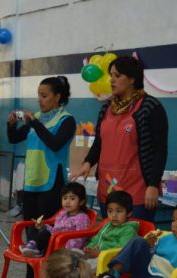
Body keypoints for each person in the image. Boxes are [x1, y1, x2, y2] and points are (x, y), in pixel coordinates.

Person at [71, 57, 168, 221]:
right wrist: (88, 162)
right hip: (107, 190)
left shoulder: (150, 107)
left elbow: (160, 150)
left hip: (137, 192)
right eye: (111, 75)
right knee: (111, 241)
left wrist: (152, 185)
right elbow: (99, 142)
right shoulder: (106, 108)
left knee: (133, 243)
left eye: (117, 75)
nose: (111, 80)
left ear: (131, 79)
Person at [7, 76, 76, 278]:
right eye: (38, 95)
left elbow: (55, 144)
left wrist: (35, 123)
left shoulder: (66, 120)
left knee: (48, 231)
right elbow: (14, 138)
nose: (39, 100)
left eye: (44, 96)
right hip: (32, 183)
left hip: (51, 184)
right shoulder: (36, 117)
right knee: (31, 233)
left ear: (58, 97)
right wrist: (11, 125)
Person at [19, 181, 91, 258]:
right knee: (33, 226)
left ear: (81, 202)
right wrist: (44, 226)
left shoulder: (82, 217)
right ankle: (32, 245)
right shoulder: (62, 214)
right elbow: (55, 230)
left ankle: (38, 250)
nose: (67, 202)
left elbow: (81, 237)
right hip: (54, 239)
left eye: (72, 198)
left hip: (64, 246)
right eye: (65, 198)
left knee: (45, 234)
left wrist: (67, 247)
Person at [83, 190, 139, 269]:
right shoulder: (107, 226)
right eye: (110, 211)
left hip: (110, 261)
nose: (114, 215)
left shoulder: (128, 230)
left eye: (119, 211)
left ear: (129, 213)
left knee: (86, 266)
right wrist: (89, 249)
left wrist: (100, 254)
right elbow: (96, 239)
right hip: (96, 254)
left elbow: (121, 251)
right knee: (75, 253)